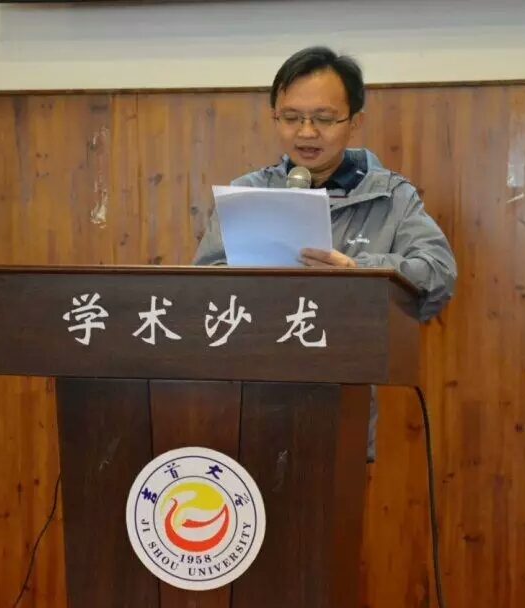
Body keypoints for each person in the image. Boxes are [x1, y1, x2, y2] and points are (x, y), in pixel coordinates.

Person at [192, 45, 458, 460]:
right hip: (248, 400)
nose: (306, 132)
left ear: (354, 122)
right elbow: (203, 285)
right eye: (291, 118)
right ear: (274, 118)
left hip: (341, 404)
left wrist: (359, 271)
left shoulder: (392, 197)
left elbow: (438, 273)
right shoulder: (247, 193)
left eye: (323, 118)